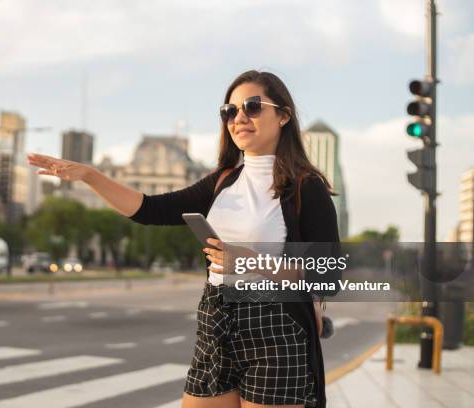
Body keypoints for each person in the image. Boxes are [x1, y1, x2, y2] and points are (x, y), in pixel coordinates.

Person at [27, 69, 340, 408]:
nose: (239, 118)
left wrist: (250, 260)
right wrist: (89, 176)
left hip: (275, 327)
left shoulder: (306, 187)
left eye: (252, 106)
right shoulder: (221, 181)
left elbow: (328, 274)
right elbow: (149, 209)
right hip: (216, 319)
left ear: (282, 116)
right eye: (229, 111)